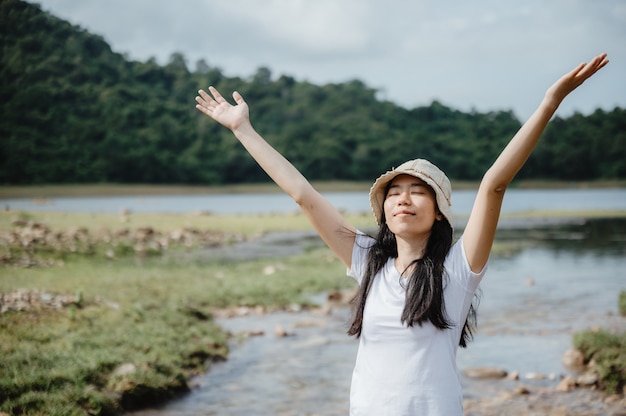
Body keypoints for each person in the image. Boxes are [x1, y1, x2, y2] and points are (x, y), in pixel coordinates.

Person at [195, 53, 608, 415]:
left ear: (439, 212)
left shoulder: (458, 271)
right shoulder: (365, 259)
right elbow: (303, 195)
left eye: (417, 192)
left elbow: (494, 184)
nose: (403, 200)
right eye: (394, 193)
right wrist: (242, 129)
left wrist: (549, 103)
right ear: (384, 212)